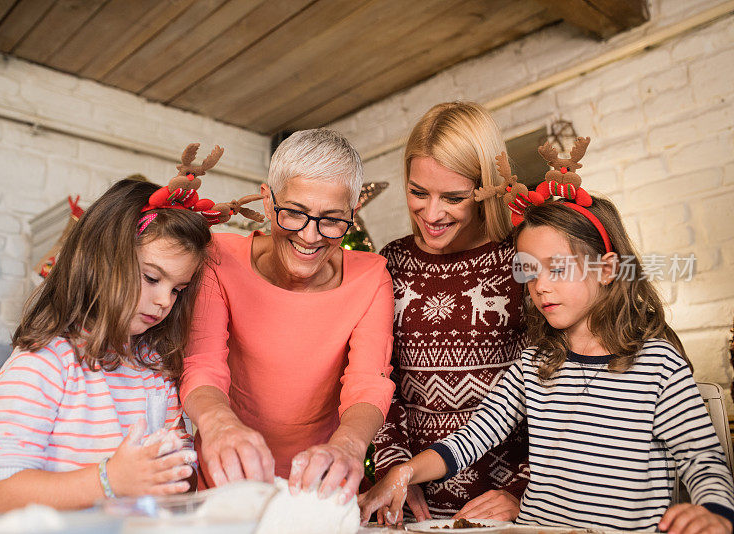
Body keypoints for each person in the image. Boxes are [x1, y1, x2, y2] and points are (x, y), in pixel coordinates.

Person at [360, 183, 734, 532]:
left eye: (557, 268)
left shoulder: (658, 364)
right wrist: (402, 472)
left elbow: (702, 460)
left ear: (605, 270)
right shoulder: (534, 363)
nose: (540, 286)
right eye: (530, 270)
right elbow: (470, 439)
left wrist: (715, 514)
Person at [180, 128, 395, 505]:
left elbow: (368, 383)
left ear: (352, 213)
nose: (310, 236)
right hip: (227, 482)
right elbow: (203, 365)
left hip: (322, 488)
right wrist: (218, 425)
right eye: (294, 212)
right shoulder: (219, 258)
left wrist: (347, 447)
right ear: (268, 201)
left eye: (331, 219)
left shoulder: (371, 276)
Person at [0, 179, 212, 512]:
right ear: (101, 260)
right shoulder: (44, 363)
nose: (164, 302)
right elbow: (0, 496)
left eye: (177, 289)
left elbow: (178, 478)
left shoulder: (153, 367)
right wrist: (111, 480)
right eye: (152, 277)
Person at [372, 101, 529, 523]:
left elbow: (555, 385)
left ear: (487, 189)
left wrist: (522, 491)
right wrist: (394, 465)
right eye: (418, 192)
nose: (432, 213)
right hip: (413, 503)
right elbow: (380, 378)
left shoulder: (523, 258)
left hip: (505, 506)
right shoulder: (391, 262)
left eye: (454, 198)